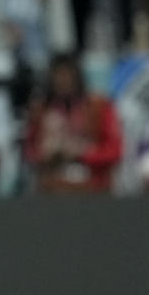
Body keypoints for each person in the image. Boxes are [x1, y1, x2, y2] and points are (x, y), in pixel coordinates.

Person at [24, 54, 122, 193]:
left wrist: (81, 154)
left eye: (67, 75)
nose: (63, 81)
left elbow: (115, 151)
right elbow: (29, 151)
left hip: (92, 187)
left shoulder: (99, 107)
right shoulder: (41, 110)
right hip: (52, 188)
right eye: (58, 76)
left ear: (77, 77)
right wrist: (48, 153)